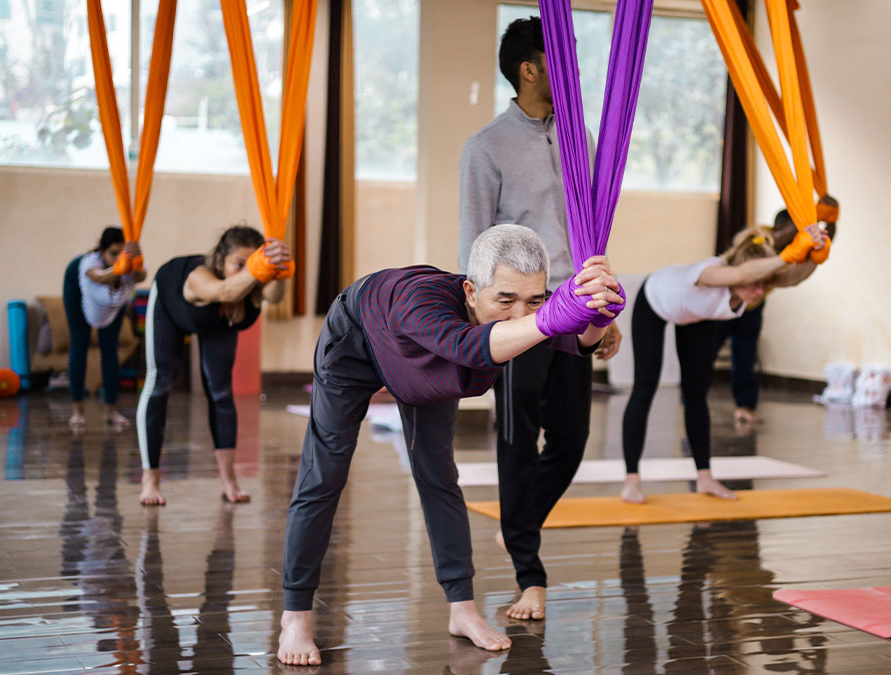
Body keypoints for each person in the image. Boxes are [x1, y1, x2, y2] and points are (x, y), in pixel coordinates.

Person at [277, 225, 622, 666]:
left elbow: (574, 340)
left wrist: (599, 312)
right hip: (357, 339)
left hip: (422, 373)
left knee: (439, 477)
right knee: (323, 477)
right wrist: (550, 316)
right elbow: (471, 346)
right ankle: (295, 618)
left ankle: (462, 610)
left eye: (534, 300)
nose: (520, 313)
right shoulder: (420, 305)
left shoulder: (520, 300)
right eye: (505, 301)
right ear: (470, 291)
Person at [457, 14, 621, 623]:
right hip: (519, 313)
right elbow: (472, 241)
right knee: (517, 445)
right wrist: (479, 327)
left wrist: (604, 312)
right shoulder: (487, 147)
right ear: (530, 69)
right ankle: (531, 577)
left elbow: (595, 234)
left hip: (576, 305)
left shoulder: (583, 139)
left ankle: (517, 522)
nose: (574, 73)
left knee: (572, 441)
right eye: (563, 59)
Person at [620, 226, 829, 504]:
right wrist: (789, 253)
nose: (759, 291)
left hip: (694, 316)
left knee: (696, 394)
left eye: (764, 284)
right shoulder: (709, 273)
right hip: (654, 300)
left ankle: (705, 478)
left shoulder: (752, 280)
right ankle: (631, 481)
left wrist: (816, 253)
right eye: (756, 283)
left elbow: (790, 278)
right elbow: (743, 275)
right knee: (645, 388)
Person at [136, 225, 290, 506]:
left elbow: (276, 295)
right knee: (161, 381)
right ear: (220, 261)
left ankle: (229, 480)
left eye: (252, 262)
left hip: (216, 322)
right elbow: (227, 292)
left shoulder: (251, 286)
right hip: (171, 305)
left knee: (220, 391)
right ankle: (150, 479)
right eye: (238, 264)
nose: (246, 269)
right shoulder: (199, 278)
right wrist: (256, 268)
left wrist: (281, 266)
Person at [713, 197, 838, 426]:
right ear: (779, 227)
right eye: (796, 230)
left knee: (745, 356)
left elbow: (791, 277)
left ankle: (745, 407)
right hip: (722, 303)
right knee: (705, 351)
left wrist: (831, 222)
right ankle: (691, 397)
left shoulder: (796, 248)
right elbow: (775, 248)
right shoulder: (757, 238)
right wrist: (814, 218)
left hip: (751, 308)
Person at [63, 227, 146, 430]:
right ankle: (77, 411)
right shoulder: (88, 264)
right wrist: (122, 264)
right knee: (79, 343)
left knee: (110, 348)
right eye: (113, 253)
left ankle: (111, 410)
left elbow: (141, 276)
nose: (117, 257)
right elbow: (99, 277)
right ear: (102, 251)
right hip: (77, 289)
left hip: (110, 302)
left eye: (121, 252)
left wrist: (136, 260)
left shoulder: (127, 266)